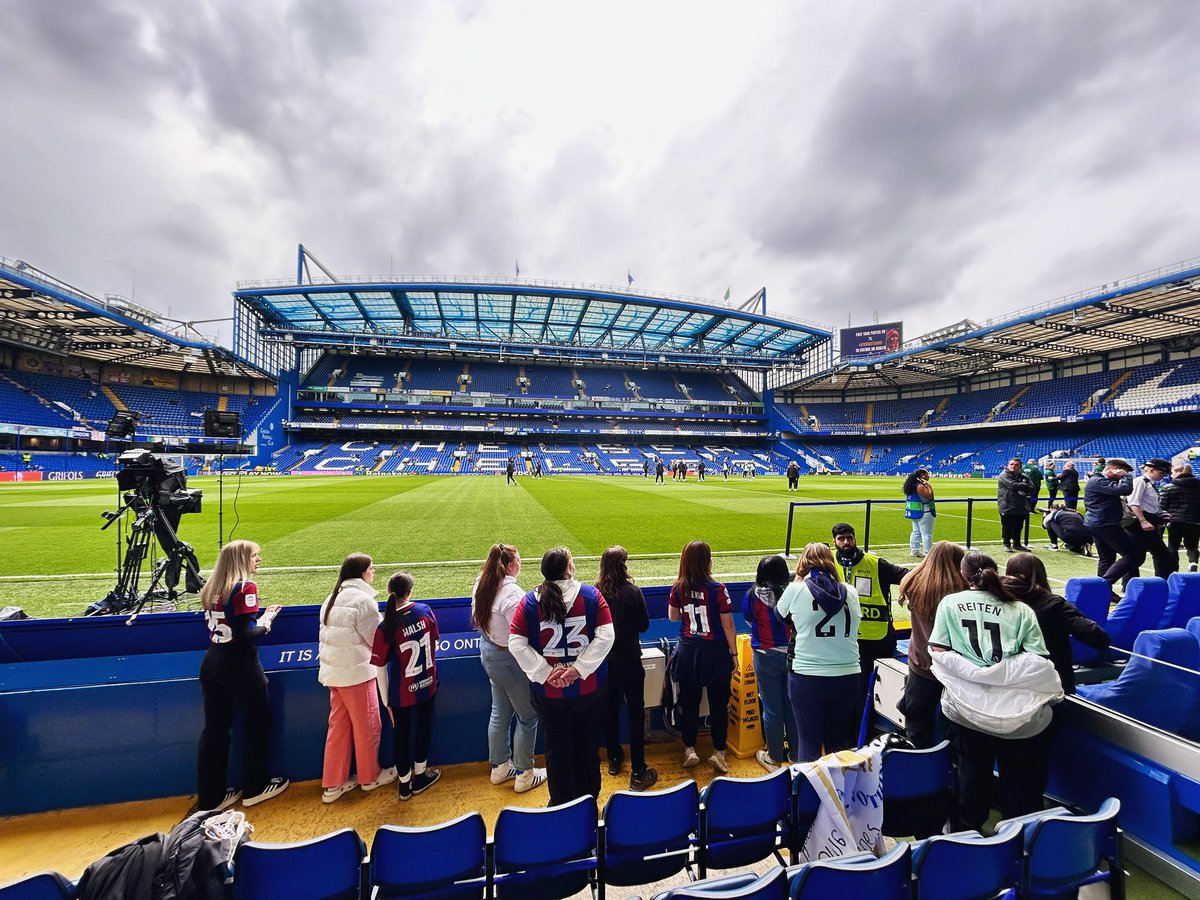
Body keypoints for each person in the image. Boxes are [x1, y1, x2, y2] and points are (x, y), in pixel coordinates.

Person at [929, 551, 1056, 831]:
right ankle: (1019, 851)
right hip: (1017, 715)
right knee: (1020, 790)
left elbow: (938, 651)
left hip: (967, 711)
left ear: (964, 576)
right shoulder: (1021, 609)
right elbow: (1037, 660)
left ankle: (968, 844)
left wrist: (975, 674)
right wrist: (999, 673)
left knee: (972, 781)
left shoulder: (950, 603)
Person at [510, 547, 614, 806]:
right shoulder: (591, 596)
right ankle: (588, 803)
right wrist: (578, 669)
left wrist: (547, 673)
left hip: (550, 694)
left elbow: (516, 643)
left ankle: (561, 804)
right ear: (568, 569)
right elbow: (606, 636)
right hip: (588, 690)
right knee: (588, 748)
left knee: (557, 751)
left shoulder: (529, 601)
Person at [1003, 553, 1109, 804]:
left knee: (1011, 757)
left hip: (1007, 689)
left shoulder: (998, 601)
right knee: (1035, 761)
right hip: (1048, 694)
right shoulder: (1052, 604)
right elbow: (1099, 637)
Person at [197, 540, 289, 811]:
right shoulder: (245, 586)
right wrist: (266, 621)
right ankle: (255, 787)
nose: (258, 560)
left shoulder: (211, 588)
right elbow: (246, 632)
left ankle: (210, 798)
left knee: (214, 730)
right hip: (240, 664)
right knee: (256, 723)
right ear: (241, 560)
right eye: (254, 556)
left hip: (212, 660)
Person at [318, 553, 395, 803]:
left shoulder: (332, 597)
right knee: (368, 726)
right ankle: (370, 776)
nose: (373, 573)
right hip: (355, 673)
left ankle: (333, 783)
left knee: (338, 727)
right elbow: (376, 639)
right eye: (371, 569)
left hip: (334, 673)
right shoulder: (363, 601)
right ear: (362, 572)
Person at [775, 542, 862, 762]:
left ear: (803, 564)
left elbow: (780, 615)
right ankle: (835, 793)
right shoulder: (850, 591)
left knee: (809, 743)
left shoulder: (795, 590)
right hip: (848, 673)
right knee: (837, 744)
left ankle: (808, 794)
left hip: (808, 675)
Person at [471, 543, 547, 794]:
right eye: (519, 560)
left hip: (490, 654)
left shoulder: (482, 582)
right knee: (527, 716)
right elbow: (524, 632)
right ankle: (525, 773)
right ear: (511, 565)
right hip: (508, 660)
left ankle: (500, 767)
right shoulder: (512, 594)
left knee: (499, 712)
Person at [830, 522, 908, 739]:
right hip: (845, 640)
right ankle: (856, 734)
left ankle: (866, 735)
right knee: (853, 691)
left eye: (849, 538)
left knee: (876, 691)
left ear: (855, 539)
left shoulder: (875, 564)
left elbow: (907, 576)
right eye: (841, 539)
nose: (846, 542)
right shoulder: (829, 565)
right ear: (834, 542)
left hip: (877, 639)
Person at [668, 540, 738, 773]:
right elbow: (728, 625)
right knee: (719, 705)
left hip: (689, 651)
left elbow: (673, 617)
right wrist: (735, 655)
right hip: (715, 652)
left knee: (690, 704)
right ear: (707, 561)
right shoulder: (718, 589)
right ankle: (719, 753)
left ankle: (689, 748)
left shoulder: (678, 587)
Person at [372, 572, 440, 799]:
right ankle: (420, 776)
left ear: (390, 593)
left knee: (401, 736)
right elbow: (435, 643)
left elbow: (379, 667)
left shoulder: (385, 627)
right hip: (427, 683)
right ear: (410, 592)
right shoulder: (425, 611)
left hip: (401, 691)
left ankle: (404, 784)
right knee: (424, 729)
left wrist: (385, 700)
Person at [595, 546, 656, 791]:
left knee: (610, 710)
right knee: (635, 713)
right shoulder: (633, 592)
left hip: (605, 662)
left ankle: (613, 758)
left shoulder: (596, 592)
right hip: (629, 660)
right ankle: (638, 770)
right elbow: (644, 625)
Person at [896, 541, 966, 749]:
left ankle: (917, 765)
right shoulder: (957, 591)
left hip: (920, 663)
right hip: (950, 668)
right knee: (952, 726)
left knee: (917, 725)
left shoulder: (914, 582)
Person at [743, 555, 798, 769]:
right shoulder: (794, 593)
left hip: (765, 655)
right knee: (792, 707)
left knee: (772, 708)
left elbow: (749, 621)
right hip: (792, 655)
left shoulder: (751, 595)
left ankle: (774, 756)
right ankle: (795, 755)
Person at [1084, 459, 1141, 593]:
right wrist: (1127, 477)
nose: (1123, 476)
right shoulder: (1098, 481)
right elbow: (1125, 489)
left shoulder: (1098, 480)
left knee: (1107, 558)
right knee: (1133, 555)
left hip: (1097, 523)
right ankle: (1103, 585)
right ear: (1114, 469)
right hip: (1105, 524)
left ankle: (1104, 591)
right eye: (1122, 472)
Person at [1126, 458, 1175, 579]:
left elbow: (1148, 504)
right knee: (1161, 555)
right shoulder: (1140, 482)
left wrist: (1161, 514)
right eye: (1161, 473)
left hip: (1146, 521)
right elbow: (1133, 503)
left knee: (1138, 556)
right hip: (1139, 523)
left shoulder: (1148, 483)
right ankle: (1162, 581)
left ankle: (1129, 583)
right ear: (1152, 470)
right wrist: (1143, 521)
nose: (1163, 476)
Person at [1162, 463, 1200, 573]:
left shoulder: (1169, 487)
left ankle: (1174, 569)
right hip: (1194, 520)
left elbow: (1162, 505)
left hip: (1174, 520)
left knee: (1173, 545)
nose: (1171, 475)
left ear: (1179, 473)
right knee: (1192, 545)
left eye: (1173, 472)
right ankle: (1193, 562)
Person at [997, 458, 1034, 552]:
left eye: (1016, 465)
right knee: (1007, 526)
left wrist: (1022, 485)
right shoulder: (1003, 475)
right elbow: (1013, 485)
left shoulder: (1024, 476)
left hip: (1021, 505)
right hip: (1007, 505)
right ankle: (1006, 544)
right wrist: (1024, 485)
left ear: (1020, 467)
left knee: (1018, 526)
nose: (1013, 466)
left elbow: (1032, 488)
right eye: (1011, 464)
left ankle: (1017, 544)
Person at [903, 468, 936, 557]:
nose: (929, 476)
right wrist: (929, 485)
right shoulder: (920, 486)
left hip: (915, 512)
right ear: (922, 475)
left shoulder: (912, 485)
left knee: (916, 531)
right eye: (927, 474)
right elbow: (930, 496)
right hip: (924, 512)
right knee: (927, 534)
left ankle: (914, 550)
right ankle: (927, 553)